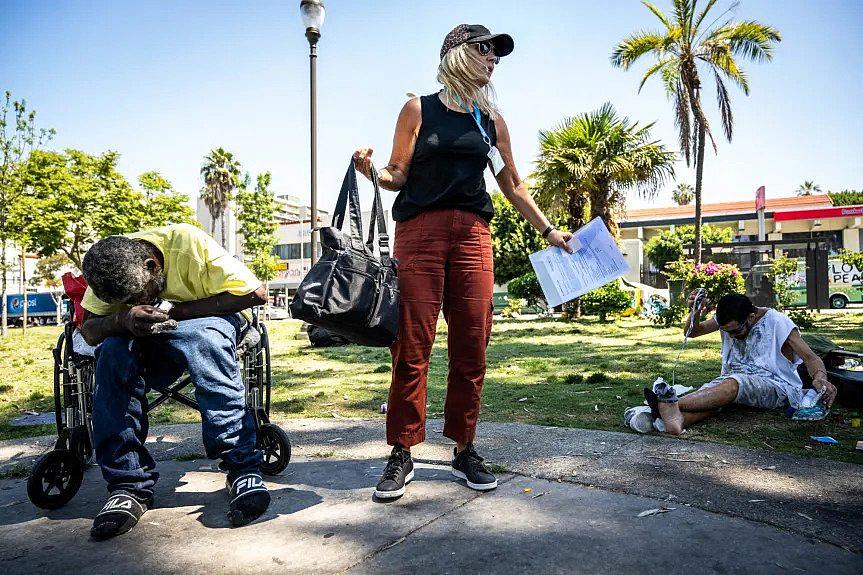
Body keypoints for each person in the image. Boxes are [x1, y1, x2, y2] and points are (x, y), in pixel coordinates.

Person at [353, 24, 573, 499]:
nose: (492, 59)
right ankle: (403, 450)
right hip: (420, 234)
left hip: (474, 237)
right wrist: (372, 170)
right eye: (483, 50)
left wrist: (550, 230)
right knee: (411, 346)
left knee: (472, 345)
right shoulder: (419, 108)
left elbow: (513, 185)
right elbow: (397, 172)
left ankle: (464, 448)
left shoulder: (490, 119)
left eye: (496, 54)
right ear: (456, 54)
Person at [79, 223, 271, 538]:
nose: (133, 301)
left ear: (152, 267)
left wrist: (173, 311)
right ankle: (128, 483)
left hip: (209, 318)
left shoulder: (187, 242)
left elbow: (255, 293)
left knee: (204, 338)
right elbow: (89, 328)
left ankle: (242, 467)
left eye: (138, 295)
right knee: (112, 351)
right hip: (148, 339)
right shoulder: (109, 266)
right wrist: (123, 318)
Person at [625, 292, 838, 435]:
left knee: (733, 384)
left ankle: (667, 405)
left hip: (776, 386)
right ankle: (675, 420)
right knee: (712, 398)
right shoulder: (727, 321)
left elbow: (811, 358)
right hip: (730, 382)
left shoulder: (777, 322)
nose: (733, 336)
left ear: (752, 316)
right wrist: (696, 310)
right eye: (727, 332)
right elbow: (691, 332)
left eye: (737, 331)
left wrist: (820, 379)